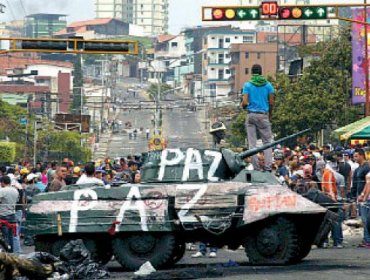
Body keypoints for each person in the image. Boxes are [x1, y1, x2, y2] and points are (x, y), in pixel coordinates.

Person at [241, 64, 274, 171]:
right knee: (267, 143)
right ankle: (268, 167)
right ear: (261, 72)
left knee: (252, 144)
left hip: (251, 115)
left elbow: (245, 102)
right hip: (263, 115)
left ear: (252, 73)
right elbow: (271, 102)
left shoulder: (247, 85)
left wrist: (244, 106)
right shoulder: (268, 85)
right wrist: (270, 115)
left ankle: (256, 168)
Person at [0, 176, 19, 252]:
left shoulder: (3, 190)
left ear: (3, 182)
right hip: (12, 216)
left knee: (5, 237)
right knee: (11, 237)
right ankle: (11, 253)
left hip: (4, 216)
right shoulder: (15, 190)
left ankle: (6, 254)